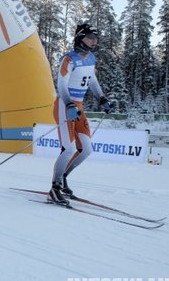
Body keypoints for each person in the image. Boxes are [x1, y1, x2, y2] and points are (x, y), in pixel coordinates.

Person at [48, 23, 112, 205]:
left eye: (96, 38)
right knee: (68, 148)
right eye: (90, 37)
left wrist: (102, 98)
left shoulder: (91, 59)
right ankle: (54, 188)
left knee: (86, 149)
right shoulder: (69, 59)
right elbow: (61, 84)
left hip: (79, 106)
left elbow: (92, 81)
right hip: (64, 104)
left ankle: (63, 179)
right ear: (80, 38)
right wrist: (68, 103)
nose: (94, 41)